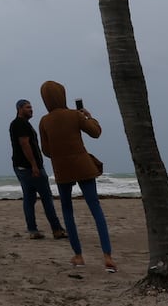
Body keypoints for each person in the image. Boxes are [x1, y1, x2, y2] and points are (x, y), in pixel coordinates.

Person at [38, 80, 115, 272]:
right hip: (83, 166)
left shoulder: (44, 121)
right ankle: (107, 257)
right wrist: (89, 117)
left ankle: (79, 256)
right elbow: (96, 133)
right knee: (95, 209)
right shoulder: (74, 115)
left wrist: (61, 152)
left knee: (67, 212)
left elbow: (46, 150)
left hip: (62, 169)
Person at [9, 97, 66, 241]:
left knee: (29, 199)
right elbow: (25, 144)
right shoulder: (20, 124)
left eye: (31, 107)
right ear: (20, 109)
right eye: (28, 107)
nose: (31, 109)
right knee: (46, 198)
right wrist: (34, 165)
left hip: (21, 167)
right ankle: (57, 229)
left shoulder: (20, 124)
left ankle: (33, 230)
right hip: (30, 168)